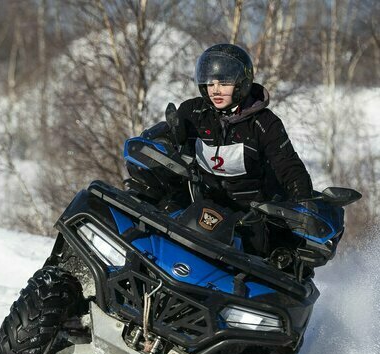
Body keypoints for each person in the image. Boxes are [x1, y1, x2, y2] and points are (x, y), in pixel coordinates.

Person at [134, 43, 314, 258]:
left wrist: (304, 206)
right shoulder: (192, 111)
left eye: (224, 82)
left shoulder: (265, 124)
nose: (216, 89)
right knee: (148, 191)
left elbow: (290, 168)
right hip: (197, 204)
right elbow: (166, 137)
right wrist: (160, 141)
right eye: (210, 83)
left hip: (249, 216)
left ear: (241, 83)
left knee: (260, 244)